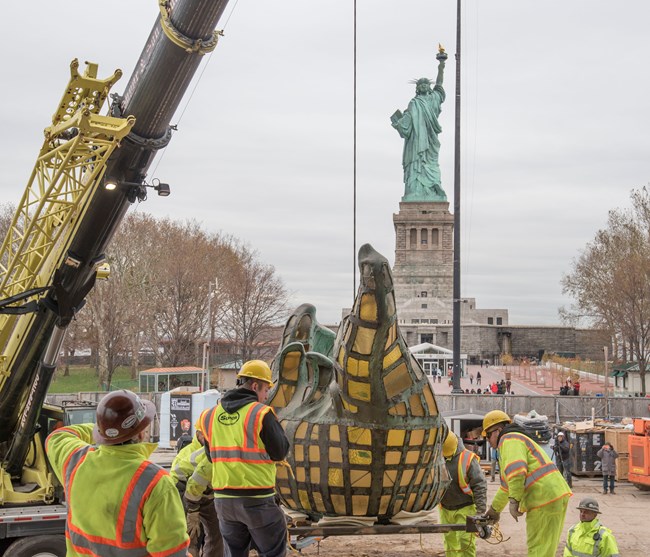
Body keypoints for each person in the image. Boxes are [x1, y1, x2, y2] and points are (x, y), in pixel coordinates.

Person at [45, 390, 189, 556]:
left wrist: (105, 429)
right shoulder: (156, 481)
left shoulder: (75, 461)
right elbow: (171, 551)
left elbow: (57, 436)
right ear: (141, 433)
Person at [198, 360, 290, 557]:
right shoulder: (261, 413)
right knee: (273, 550)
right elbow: (280, 452)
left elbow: (211, 456)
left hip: (224, 502)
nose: (266, 397)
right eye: (266, 390)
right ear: (255, 386)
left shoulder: (209, 416)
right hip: (257, 498)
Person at [481, 410, 571, 557]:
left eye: (488, 435)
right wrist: (494, 510)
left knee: (538, 548)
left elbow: (517, 472)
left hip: (543, 498)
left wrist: (514, 501)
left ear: (497, 430)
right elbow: (506, 487)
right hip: (550, 496)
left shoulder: (509, 439)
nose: (488, 441)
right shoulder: (513, 441)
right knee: (543, 547)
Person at [391, 46, 448, 202]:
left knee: (431, 163)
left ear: (429, 88)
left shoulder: (433, 99)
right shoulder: (413, 103)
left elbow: (440, 84)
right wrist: (398, 123)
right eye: (420, 85)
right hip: (416, 141)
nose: (423, 86)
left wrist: (441, 66)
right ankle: (415, 190)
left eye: (425, 84)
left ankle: (433, 187)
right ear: (417, 89)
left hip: (429, 139)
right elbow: (406, 126)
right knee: (416, 163)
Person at [171, 421, 223, 557]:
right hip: (183, 488)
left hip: (204, 492)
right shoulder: (212, 458)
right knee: (191, 534)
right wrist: (193, 512)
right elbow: (193, 486)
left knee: (216, 531)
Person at [439, 431, 487, 557]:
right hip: (445, 508)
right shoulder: (438, 457)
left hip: (465, 507)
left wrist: (481, 510)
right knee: (450, 542)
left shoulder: (468, 458)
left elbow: (479, 485)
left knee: (466, 542)